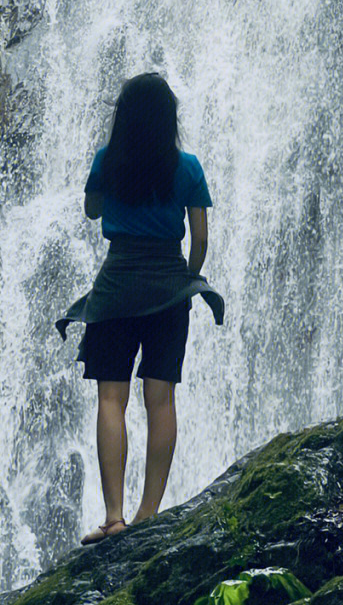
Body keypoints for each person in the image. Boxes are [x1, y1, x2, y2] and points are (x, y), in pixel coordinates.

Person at [56, 72, 224, 544]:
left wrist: (105, 181)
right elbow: (201, 239)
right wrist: (185, 283)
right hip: (168, 285)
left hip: (116, 285)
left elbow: (92, 211)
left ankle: (113, 517)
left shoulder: (109, 160)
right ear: (168, 119)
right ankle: (149, 513)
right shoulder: (187, 167)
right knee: (161, 399)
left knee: (112, 398)